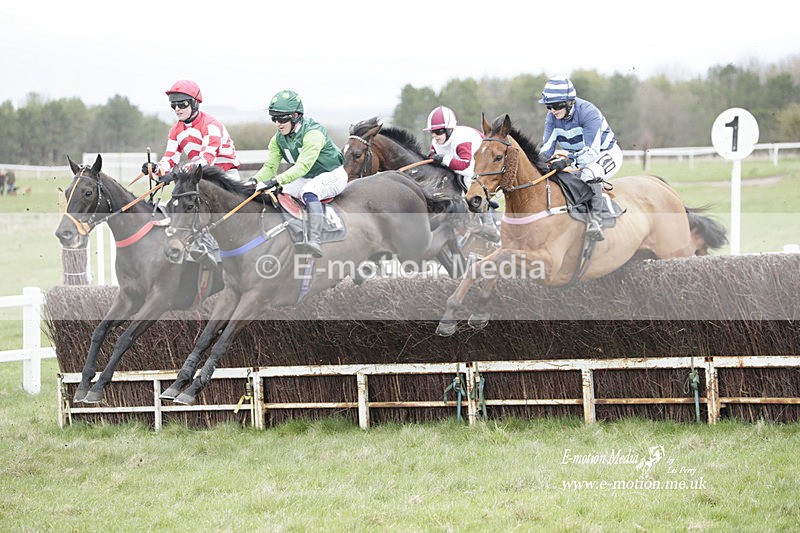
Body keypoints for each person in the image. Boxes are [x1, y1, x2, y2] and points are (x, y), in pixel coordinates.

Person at [252, 89, 347, 258]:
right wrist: (254, 181)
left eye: (282, 118)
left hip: (332, 174)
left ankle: (315, 239)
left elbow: (302, 166)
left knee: (309, 191)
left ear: (296, 116)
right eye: (274, 118)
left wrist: (276, 180)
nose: (278, 123)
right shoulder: (277, 139)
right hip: (308, 176)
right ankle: (293, 232)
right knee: (279, 193)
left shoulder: (313, 134)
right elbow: (270, 167)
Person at [539, 75, 622, 241]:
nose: (552, 111)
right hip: (576, 156)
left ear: (569, 102)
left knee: (589, 174)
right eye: (548, 106)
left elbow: (591, 152)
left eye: (556, 105)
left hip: (605, 153)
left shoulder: (589, 113)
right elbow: (547, 149)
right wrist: (538, 163)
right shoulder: (552, 118)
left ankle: (596, 221)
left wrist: (567, 161)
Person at [424, 105, 500, 242]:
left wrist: (444, 159)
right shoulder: (436, 141)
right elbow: (432, 156)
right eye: (432, 132)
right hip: (461, 163)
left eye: (438, 131)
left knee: (469, 181)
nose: (435, 136)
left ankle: (489, 224)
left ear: (449, 130)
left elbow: (466, 167)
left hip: (478, 164)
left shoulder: (461, 140)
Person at [143, 79, 241, 182]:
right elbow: (170, 159)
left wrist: (178, 173)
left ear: (194, 103)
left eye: (182, 104)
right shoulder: (175, 130)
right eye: (173, 104)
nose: (177, 109)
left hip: (226, 177)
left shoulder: (211, 126)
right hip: (200, 177)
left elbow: (207, 160)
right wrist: (155, 168)